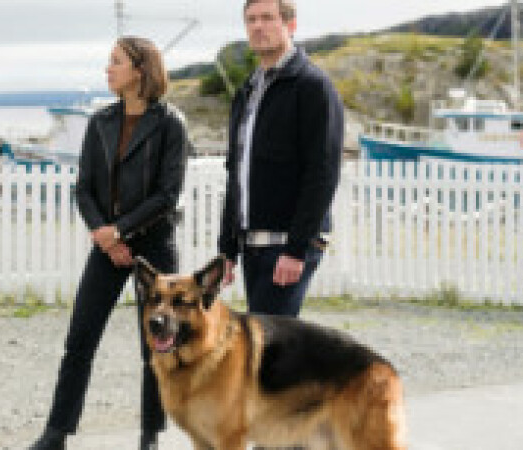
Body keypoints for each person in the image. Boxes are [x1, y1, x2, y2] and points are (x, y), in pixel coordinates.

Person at [29, 37, 188, 450]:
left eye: (116, 62)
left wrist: (120, 231)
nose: (108, 69)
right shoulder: (100, 122)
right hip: (107, 247)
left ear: (140, 70)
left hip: (155, 246)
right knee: (79, 339)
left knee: (155, 345)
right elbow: (84, 188)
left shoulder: (170, 123)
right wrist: (106, 234)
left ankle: (150, 437)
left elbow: (167, 194)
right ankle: (56, 434)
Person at [218, 0, 344, 317]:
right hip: (251, 245)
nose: (258, 26)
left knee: (269, 341)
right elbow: (237, 173)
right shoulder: (247, 91)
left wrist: (296, 249)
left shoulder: (313, 86)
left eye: (267, 18)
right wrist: (227, 248)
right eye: (251, 20)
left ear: (291, 24)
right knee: (265, 341)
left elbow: (323, 173)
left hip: (288, 245)